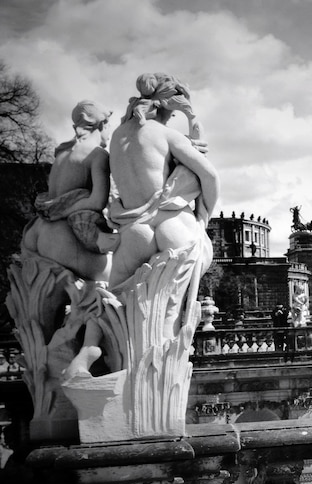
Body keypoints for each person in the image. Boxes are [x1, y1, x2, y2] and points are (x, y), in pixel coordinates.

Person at [64, 73, 219, 378]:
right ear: (168, 108)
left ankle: (90, 352)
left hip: (133, 231)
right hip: (173, 225)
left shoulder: (119, 138)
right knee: (168, 316)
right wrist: (203, 216)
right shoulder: (165, 135)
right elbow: (210, 176)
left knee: (112, 300)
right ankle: (158, 382)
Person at [21, 100, 114, 281]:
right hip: (64, 236)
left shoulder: (61, 154)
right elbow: (97, 202)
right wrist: (62, 211)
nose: (110, 132)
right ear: (102, 124)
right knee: (121, 275)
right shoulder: (97, 155)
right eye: (110, 125)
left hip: (38, 232)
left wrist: (54, 211)